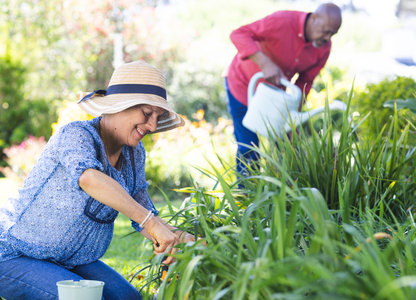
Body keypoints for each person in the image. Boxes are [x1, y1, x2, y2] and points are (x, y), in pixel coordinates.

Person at [0, 60, 196, 300]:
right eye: (147, 113)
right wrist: (152, 224)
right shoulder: (77, 135)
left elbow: (144, 212)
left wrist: (183, 240)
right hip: (16, 254)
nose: (153, 125)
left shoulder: (134, 153)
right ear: (120, 106)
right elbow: (89, 178)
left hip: (72, 260)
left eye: (157, 116)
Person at [225, 2, 342, 177]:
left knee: (286, 147)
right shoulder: (283, 21)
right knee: (249, 147)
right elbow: (238, 35)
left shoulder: (324, 48)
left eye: (332, 33)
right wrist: (265, 63)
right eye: (325, 30)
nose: (327, 37)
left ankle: (283, 195)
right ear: (314, 17)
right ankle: (245, 198)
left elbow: (305, 82)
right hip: (242, 86)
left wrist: (293, 117)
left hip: (273, 97)